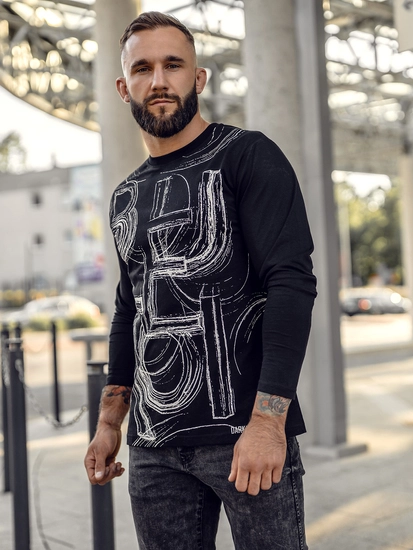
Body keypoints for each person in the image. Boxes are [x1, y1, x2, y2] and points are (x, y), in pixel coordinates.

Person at [84, 11, 317, 550]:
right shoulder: (125, 195)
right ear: (123, 87)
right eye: (143, 68)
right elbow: (130, 308)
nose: (159, 81)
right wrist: (110, 423)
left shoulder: (247, 155)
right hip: (153, 446)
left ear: (199, 77)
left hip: (244, 436)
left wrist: (268, 423)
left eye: (174, 65)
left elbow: (291, 283)